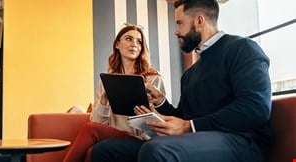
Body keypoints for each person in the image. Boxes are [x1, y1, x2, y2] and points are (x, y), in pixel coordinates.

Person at [91, 0, 272, 162]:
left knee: (156, 150)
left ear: (199, 21)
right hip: (198, 138)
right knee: (104, 150)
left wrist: (189, 126)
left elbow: (256, 108)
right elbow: (183, 117)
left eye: (179, 23)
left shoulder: (242, 49)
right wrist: (161, 102)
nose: (176, 31)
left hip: (241, 141)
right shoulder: (190, 73)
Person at [63, 23, 166, 162]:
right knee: (92, 149)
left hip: (142, 141)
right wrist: (104, 103)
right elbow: (97, 121)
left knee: (90, 130)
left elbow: (162, 127)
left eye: (139, 41)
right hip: (113, 136)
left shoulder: (153, 79)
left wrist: (147, 115)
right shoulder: (106, 81)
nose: (134, 44)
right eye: (129, 39)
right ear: (117, 44)